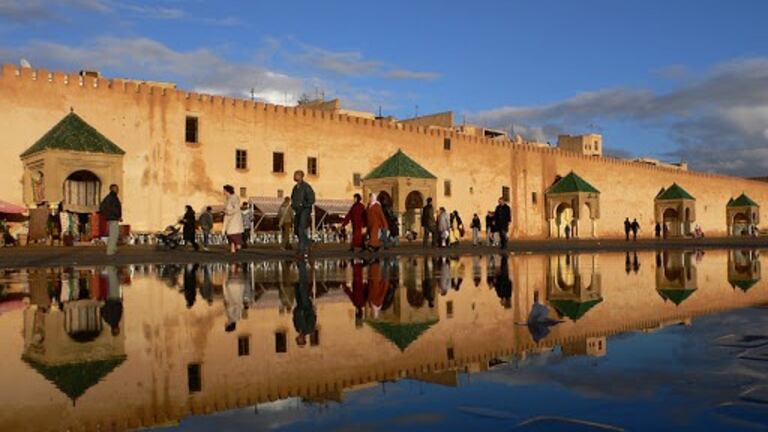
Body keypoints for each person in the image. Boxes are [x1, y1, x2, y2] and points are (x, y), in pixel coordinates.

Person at [291, 170, 315, 255]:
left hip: (305, 210)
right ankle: (309, 242)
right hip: (297, 210)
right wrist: (293, 206)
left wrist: (304, 205)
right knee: (296, 229)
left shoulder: (306, 187)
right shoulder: (295, 188)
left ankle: (301, 249)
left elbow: (312, 199)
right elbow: (293, 198)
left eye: (296, 175)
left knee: (301, 228)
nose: (294, 176)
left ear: (300, 176)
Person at [293, 260, 316, 346]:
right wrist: (306, 311)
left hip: (299, 305)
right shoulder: (309, 329)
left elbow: (294, 319)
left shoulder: (297, 328)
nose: (299, 338)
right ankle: (302, 266)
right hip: (306, 305)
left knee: (298, 286)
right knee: (303, 286)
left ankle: (301, 267)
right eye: (301, 340)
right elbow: (312, 317)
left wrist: (296, 311)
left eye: (298, 339)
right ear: (304, 339)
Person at [99, 184, 122, 256]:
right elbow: (112, 208)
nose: (118, 190)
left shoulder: (112, 197)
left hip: (112, 218)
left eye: (117, 188)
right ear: (112, 189)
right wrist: (115, 216)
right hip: (113, 218)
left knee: (115, 234)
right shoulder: (111, 197)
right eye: (116, 188)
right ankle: (110, 251)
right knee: (113, 234)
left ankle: (113, 248)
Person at [222, 185, 244, 254]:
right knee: (230, 236)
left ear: (227, 191)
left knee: (233, 235)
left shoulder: (234, 198)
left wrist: (228, 212)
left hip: (234, 221)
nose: (223, 192)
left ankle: (237, 248)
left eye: (224, 190)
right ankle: (233, 251)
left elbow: (236, 208)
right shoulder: (228, 199)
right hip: (229, 221)